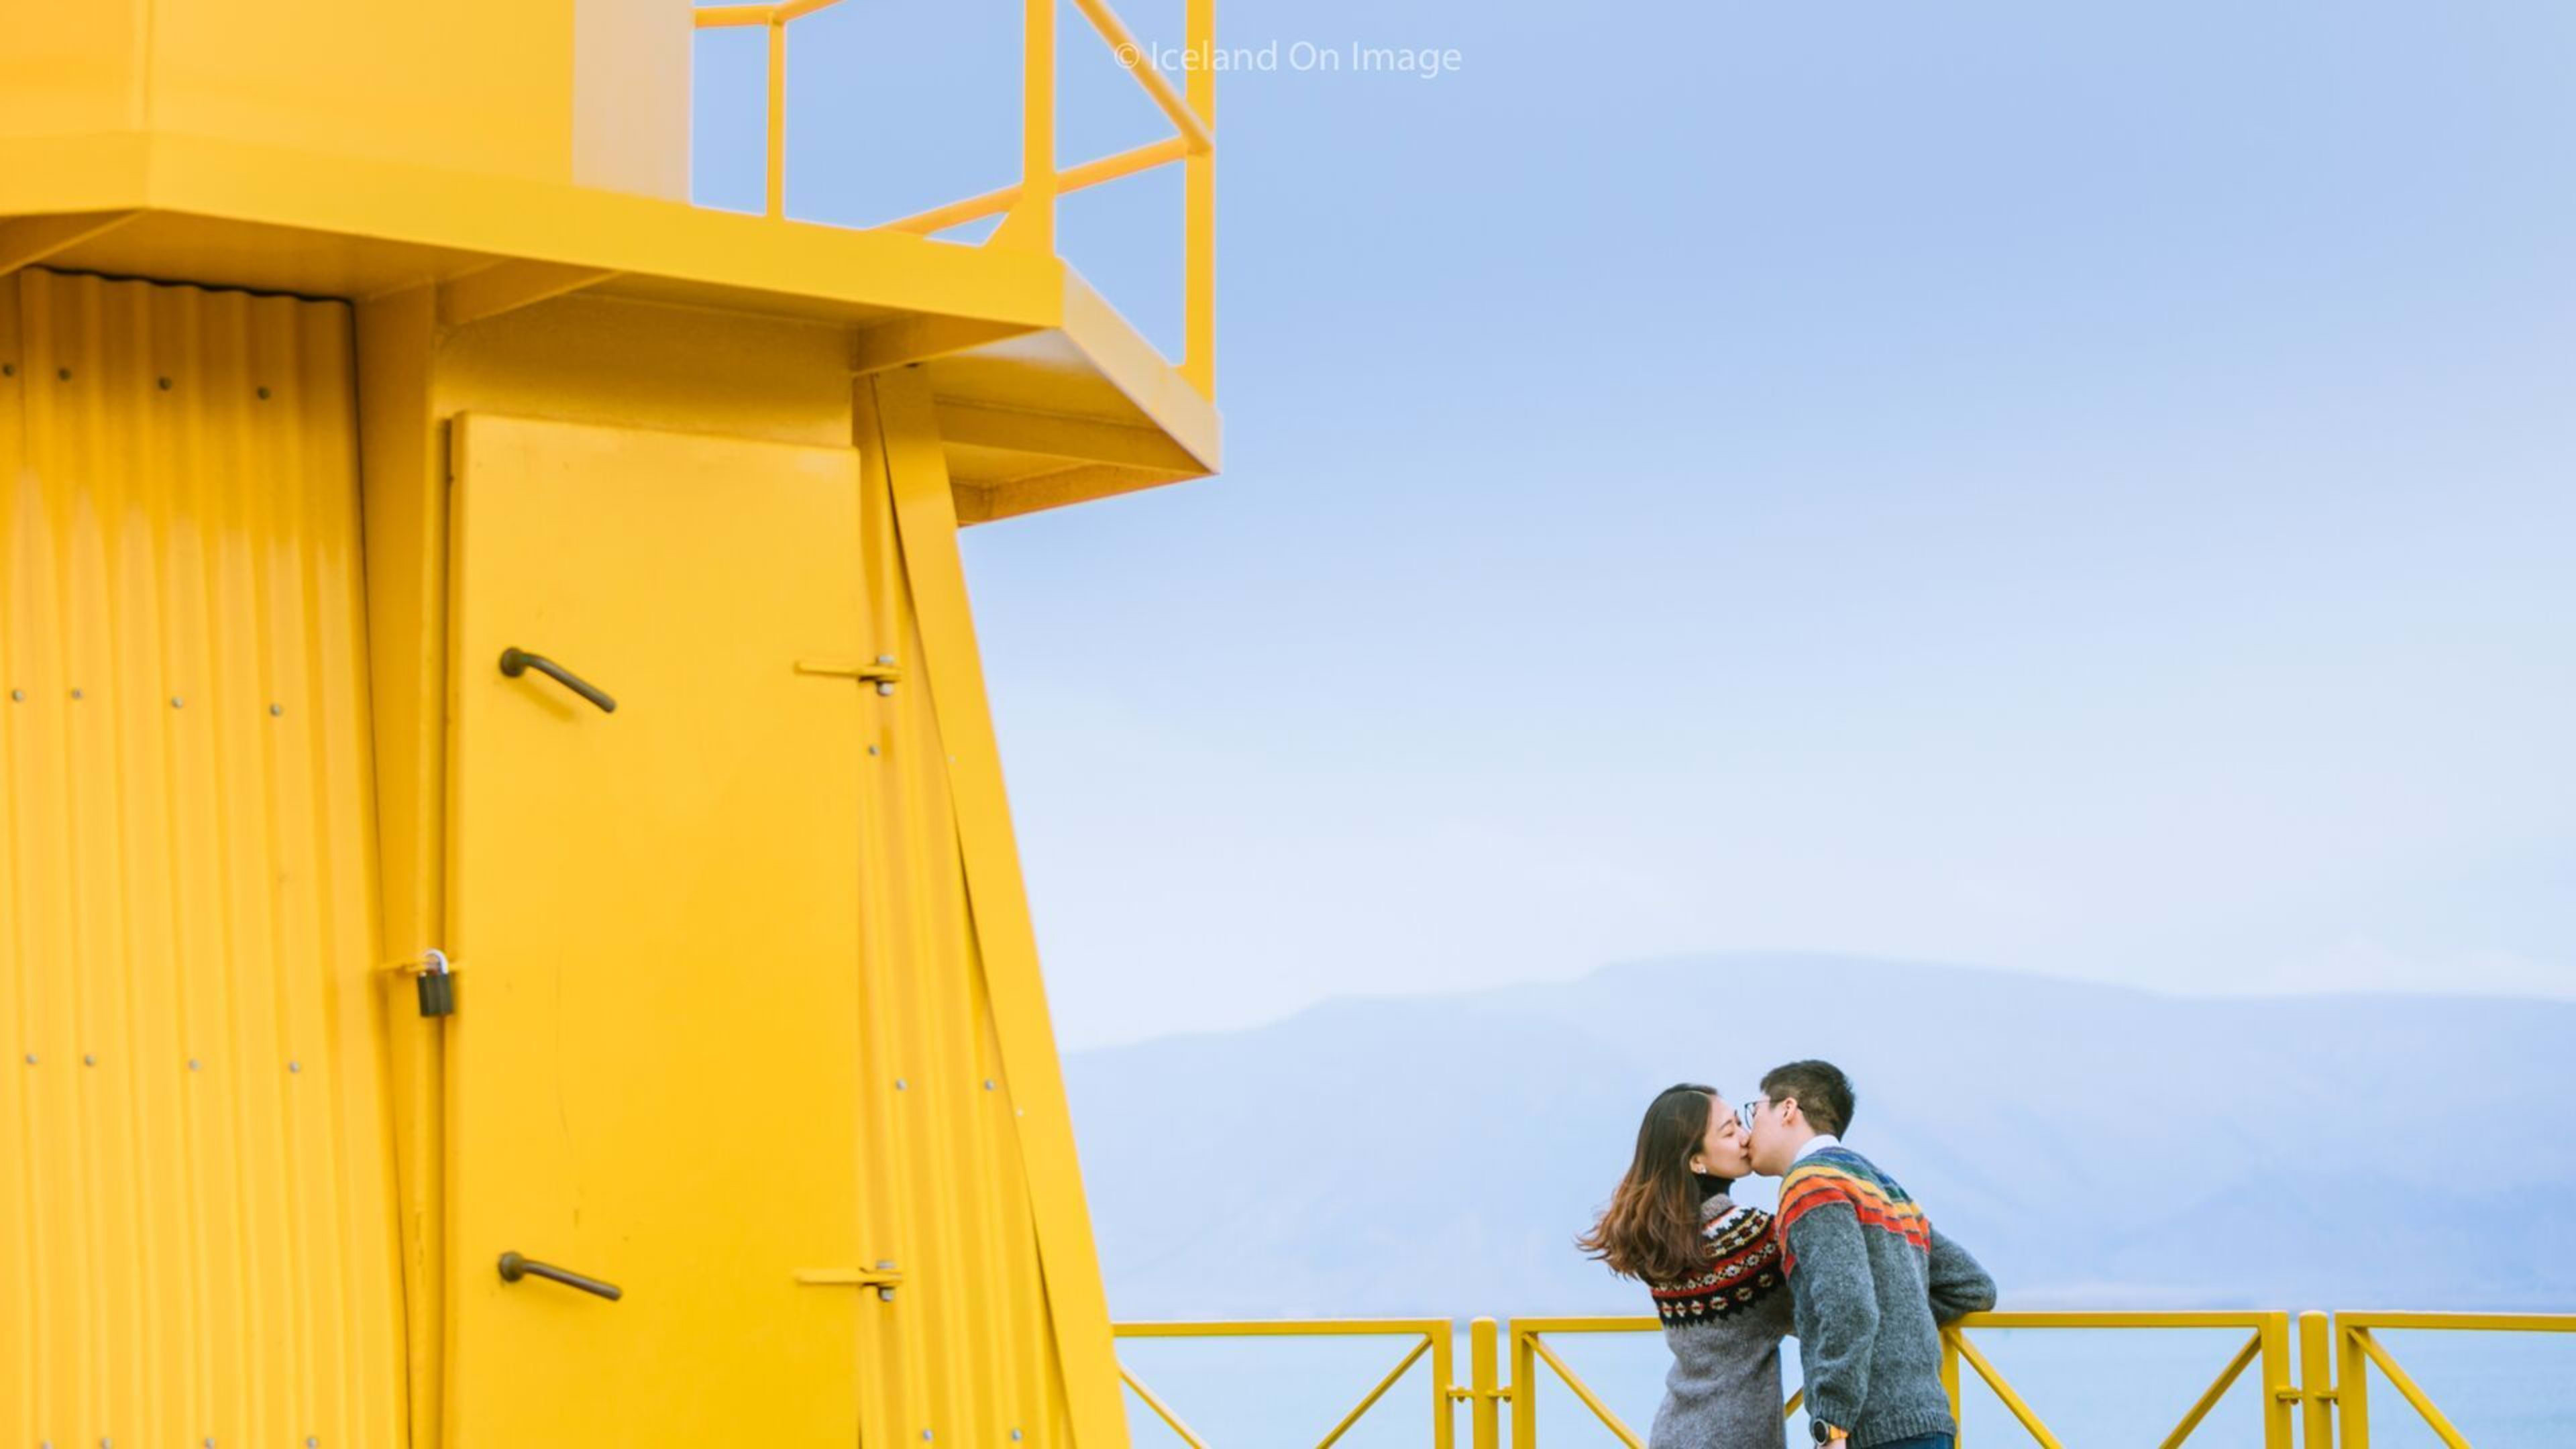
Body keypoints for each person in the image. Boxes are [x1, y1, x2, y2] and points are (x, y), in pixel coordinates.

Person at [1744, 1061, 1996, 1449]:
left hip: (1870, 1429)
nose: (1749, 1129)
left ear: (1788, 1109)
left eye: (1755, 1111)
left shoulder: (1809, 1183)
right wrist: (1899, 1314)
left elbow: (1848, 1304)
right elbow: (1974, 1288)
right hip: (1930, 1420)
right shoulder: (1883, 1185)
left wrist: (1832, 1424)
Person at [1579, 1083, 1797, 1449]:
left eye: (1740, 1123)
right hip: (1734, 1438)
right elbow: (1828, 1311)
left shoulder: (1663, 1239)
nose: (1746, 1138)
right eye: (1729, 1132)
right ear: (1696, 1161)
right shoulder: (1749, 1240)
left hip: (1675, 1432)